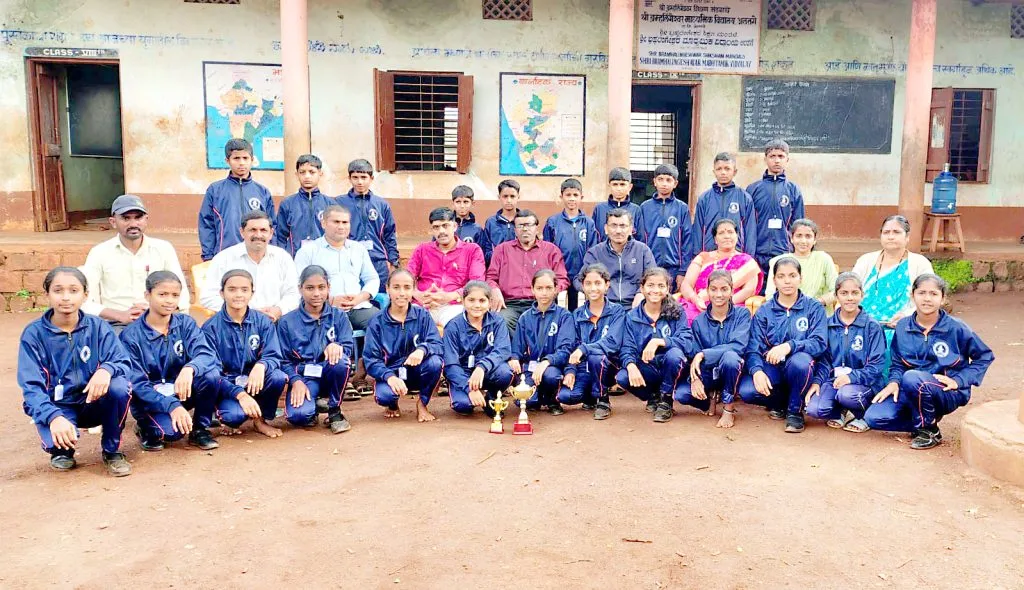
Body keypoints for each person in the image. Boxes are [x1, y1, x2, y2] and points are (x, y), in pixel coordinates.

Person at [17, 267, 133, 476]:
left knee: (119, 386)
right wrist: (53, 416)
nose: (66, 298)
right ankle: (62, 450)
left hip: (93, 402)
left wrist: (106, 370)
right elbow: (31, 386)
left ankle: (112, 450)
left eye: (73, 290)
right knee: (56, 441)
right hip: (58, 405)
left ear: (85, 296)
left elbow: (123, 361)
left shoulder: (98, 327)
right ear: (47, 295)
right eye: (58, 290)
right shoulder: (34, 334)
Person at [863, 274, 994, 450]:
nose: (927, 299)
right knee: (874, 417)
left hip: (946, 391)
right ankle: (923, 419)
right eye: (922, 293)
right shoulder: (903, 327)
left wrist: (959, 381)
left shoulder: (956, 327)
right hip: (911, 388)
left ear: (942, 298)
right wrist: (894, 382)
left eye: (933, 294)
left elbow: (984, 356)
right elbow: (897, 362)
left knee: (912, 377)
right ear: (912, 296)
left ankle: (929, 430)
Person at [121, 271, 221, 452]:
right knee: (172, 434)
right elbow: (137, 384)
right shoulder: (131, 336)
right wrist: (172, 405)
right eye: (162, 294)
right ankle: (145, 427)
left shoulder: (185, 324)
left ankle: (200, 429)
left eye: (175, 295)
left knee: (210, 374)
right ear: (147, 295)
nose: (169, 301)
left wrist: (190, 368)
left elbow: (206, 354)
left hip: (181, 391)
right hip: (151, 400)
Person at [739, 257, 827, 434]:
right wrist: (756, 371)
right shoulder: (764, 311)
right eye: (781, 276)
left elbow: (819, 343)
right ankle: (780, 402)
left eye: (792, 275)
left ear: (800, 278)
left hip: (801, 368)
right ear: (774, 281)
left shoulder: (814, 308)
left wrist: (789, 346)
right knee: (748, 391)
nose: (787, 281)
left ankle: (795, 411)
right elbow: (753, 347)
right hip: (773, 367)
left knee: (800, 362)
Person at [80, 195, 190, 331]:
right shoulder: (100, 252)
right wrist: (121, 315)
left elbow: (181, 292)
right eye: (126, 218)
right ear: (113, 222)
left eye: (138, 218)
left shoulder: (163, 249)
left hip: (160, 321)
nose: (133, 224)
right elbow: (84, 300)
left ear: (146, 220)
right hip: (116, 325)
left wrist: (156, 312)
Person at [201, 269, 289, 438]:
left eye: (244, 289)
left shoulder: (262, 321)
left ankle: (260, 420)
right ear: (222, 293)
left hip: (255, 381)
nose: (238, 295)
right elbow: (211, 371)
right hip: (227, 384)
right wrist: (239, 394)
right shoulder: (210, 327)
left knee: (277, 376)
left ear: (252, 293)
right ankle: (227, 418)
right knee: (234, 417)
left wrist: (261, 365)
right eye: (232, 289)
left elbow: (273, 355)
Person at [276, 265, 355, 434]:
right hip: (304, 378)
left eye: (321, 287)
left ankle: (334, 411)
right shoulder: (286, 322)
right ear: (300, 289)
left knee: (341, 361)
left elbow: (348, 348)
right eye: (310, 288)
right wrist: (295, 380)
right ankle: (313, 406)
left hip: (329, 373)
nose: (316, 294)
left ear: (328, 288)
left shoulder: (339, 316)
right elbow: (283, 360)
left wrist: (338, 346)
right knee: (298, 417)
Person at [804, 273, 886, 433]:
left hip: (864, 383)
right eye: (844, 293)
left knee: (848, 395)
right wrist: (817, 382)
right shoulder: (827, 325)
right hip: (835, 381)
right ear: (836, 296)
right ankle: (840, 411)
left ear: (862, 295)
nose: (849, 298)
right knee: (814, 409)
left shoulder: (872, 326)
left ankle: (864, 416)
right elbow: (824, 361)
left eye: (854, 293)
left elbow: (876, 365)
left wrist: (851, 377)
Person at [364, 269, 445, 422]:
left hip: (416, 371)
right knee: (384, 396)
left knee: (435, 363)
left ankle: (422, 404)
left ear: (413, 290)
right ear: (387, 289)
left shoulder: (422, 315)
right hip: (391, 373)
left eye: (407, 287)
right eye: (396, 287)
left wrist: (422, 349)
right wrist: (389, 377)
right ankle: (392, 404)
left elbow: (438, 345)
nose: (402, 293)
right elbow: (371, 360)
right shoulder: (377, 322)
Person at [673, 270, 750, 428]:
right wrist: (695, 379)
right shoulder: (698, 321)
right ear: (707, 291)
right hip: (709, 372)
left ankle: (728, 409)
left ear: (732, 290)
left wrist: (704, 354)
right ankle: (711, 396)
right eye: (713, 289)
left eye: (724, 289)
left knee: (730, 357)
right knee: (682, 394)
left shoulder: (742, 314)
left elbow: (738, 346)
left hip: (734, 370)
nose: (719, 294)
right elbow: (693, 356)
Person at [615, 267, 692, 423]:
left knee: (675, 354)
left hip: (672, 367)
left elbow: (687, 341)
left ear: (667, 288)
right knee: (623, 376)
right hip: (647, 367)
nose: (655, 290)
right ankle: (653, 397)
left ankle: (666, 400)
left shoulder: (677, 311)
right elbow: (627, 347)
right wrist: (630, 365)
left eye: (661, 286)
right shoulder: (632, 316)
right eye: (650, 285)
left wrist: (660, 341)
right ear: (642, 288)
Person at [853, 215, 935, 352]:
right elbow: (850, 289)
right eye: (886, 232)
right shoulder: (866, 260)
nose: (890, 236)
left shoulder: (920, 263)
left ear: (907, 237)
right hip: (862, 326)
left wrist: (908, 316)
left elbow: (929, 297)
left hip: (901, 327)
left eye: (896, 232)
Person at [200, 210, 299, 321]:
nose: (258, 235)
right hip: (236, 324)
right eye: (252, 230)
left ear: (271, 233)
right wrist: (245, 312)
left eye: (263, 230)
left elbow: (294, 293)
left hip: (276, 322)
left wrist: (278, 310)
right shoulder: (223, 259)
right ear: (242, 232)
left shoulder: (283, 257)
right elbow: (208, 297)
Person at [294, 205, 381, 331]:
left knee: (381, 324)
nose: (341, 226)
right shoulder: (308, 251)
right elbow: (298, 284)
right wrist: (331, 300)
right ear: (323, 223)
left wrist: (359, 298)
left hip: (357, 307)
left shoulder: (358, 249)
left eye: (345, 222)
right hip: (323, 309)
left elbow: (372, 279)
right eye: (336, 222)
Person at [558, 264, 625, 420]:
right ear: (582, 286)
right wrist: (570, 371)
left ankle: (603, 399)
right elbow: (571, 346)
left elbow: (613, 342)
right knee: (567, 397)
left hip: (609, 366)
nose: (593, 288)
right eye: (588, 284)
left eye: (598, 283)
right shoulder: (577, 314)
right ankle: (589, 394)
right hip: (583, 367)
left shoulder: (617, 311)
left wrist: (584, 349)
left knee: (596, 357)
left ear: (607, 285)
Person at [485, 209, 569, 331]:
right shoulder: (502, 250)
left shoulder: (551, 250)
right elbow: (491, 277)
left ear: (537, 228)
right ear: (515, 229)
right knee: (500, 320)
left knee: (545, 324)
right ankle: (515, 351)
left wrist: (551, 291)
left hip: (540, 303)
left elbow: (562, 279)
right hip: (509, 304)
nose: (525, 229)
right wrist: (494, 289)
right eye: (520, 225)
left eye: (529, 225)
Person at [442, 281, 516, 416]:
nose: (477, 305)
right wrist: (469, 388)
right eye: (471, 300)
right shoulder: (453, 327)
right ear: (463, 301)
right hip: (463, 374)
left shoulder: (497, 321)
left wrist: (482, 367)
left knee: (506, 372)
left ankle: (491, 398)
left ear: (489, 302)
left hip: (487, 371)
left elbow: (503, 350)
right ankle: (467, 393)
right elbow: (451, 365)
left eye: (482, 300)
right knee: (463, 406)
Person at [509, 270, 575, 416]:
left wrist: (546, 362)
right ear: (532, 289)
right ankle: (537, 398)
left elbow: (566, 349)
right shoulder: (525, 318)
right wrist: (514, 358)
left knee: (552, 376)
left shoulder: (565, 316)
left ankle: (552, 400)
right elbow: (517, 347)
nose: (544, 293)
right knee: (526, 401)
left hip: (552, 367)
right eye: (539, 288)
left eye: (548, 288)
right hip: (530, 368)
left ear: (556, 289)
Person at [198, 138, 276, 261]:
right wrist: (208, 256)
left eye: (245, 158)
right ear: (227, 160)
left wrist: (271, 253)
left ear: (252, 160)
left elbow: (272, 225)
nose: (241, 163)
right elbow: (207, 224)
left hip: (256, 256)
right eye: (236, 158)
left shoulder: (262, 192)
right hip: (225, 255)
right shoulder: (215, 190)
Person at [406, 207, 486, 326]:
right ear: (432, 230)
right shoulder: (422, 249)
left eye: (445, 225)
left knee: (458, 325)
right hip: (424, 304)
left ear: (455, 226)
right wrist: (417, 294)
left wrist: (450, 296)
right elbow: (407, 277)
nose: (441, 231)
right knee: (408, 323)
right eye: (436, 227)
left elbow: (476, 283)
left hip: (454, 306)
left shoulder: (472, 250)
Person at [680, 219, 763, 324]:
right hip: (699, 306)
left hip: (732, 307)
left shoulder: (747, 262)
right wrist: (696, 300)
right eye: (721, 233)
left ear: (737, 236)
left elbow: (749, 290)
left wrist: (723, 305)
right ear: (715, 239)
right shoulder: (703, 257)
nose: (727, 236)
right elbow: (686, 285)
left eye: (730, 232)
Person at [335, 159, 399, 291]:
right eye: (355, 177)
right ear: (349, 178)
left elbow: (389, 234)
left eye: (364, 177)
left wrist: (393, 261)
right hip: (349, 260)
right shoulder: (339, 203)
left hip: (378, 260)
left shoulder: (381, 205)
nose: (359, 182)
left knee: (379, 298)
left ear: (371, 178)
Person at [577, 208, 656, 308]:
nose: (618, 231)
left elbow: (654, 278)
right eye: (613, 226)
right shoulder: (595, 253)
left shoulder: (643, 250)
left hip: (636, 307)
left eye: (623, 226)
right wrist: (597, 292)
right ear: (606, 229)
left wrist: (641, 293)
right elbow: (579, 280)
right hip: (605, 307)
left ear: (631, 229)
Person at [748, 139, 805, 275]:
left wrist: (792, 248)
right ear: (765, 159)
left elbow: (798, 224)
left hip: (784, 252)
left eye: (781, 156)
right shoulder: (753, 189)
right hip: (758, 253)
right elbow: (747, 225)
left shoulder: (793, 190)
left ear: (787, 159)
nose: (777, 161)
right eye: (772, 156)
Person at [636, 164, 693, 293]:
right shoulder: (644, 207)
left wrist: (683, 271)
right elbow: (639, 238)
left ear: (675, 183)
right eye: (660, 179)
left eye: (668, 180)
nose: (664, 184)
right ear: (654, 181)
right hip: (650, 266)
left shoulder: (682, 208)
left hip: (673, 267)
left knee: (671, 304)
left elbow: (687, 240)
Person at [543, 179, 598, 311]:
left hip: (581, 274)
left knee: (579, 307)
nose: (572, 199)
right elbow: (546, 249)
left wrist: (587, 272)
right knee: (558, 308)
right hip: (559, 275)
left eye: (575, 195)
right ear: (561, 197)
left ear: (581, 197)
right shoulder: (552, 222)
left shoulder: (588, 223)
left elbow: (593, 249)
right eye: (568, 195)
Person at [692, 152, 757, 258]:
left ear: (734, 172)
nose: (723, 173)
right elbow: (698, 230)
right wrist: (698, 256)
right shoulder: (704, 198)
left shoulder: (744, 197)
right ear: (714, 172)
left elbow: (750, 231)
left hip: (736, 255)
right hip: (710, 255)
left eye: (727, 169)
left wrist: (748, 257)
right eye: (719, 169)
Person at [765, 219, 839, 313]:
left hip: (817, 313)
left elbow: (837, 291)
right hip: (785, 313)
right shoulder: (779, 261)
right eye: (799, 236)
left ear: (814, 240)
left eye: (808, 236)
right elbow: (770, 294)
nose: (803, 241)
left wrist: (817, 302)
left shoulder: (823, 259)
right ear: (791, 238)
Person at [273, 154, 334, 256]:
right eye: (302, 172)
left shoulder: (330, 204)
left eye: (311, 172)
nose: (307, 176)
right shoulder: (287, 203)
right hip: (295, 258)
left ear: (320, 173)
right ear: (297, 174)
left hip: (323, 257)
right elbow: (280, 236)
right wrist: (284, 257)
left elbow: (335, 234)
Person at [592, 167, 640, 241]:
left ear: (630, 187)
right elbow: (594, 236)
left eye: (622, 184)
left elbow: (640, 237)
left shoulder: (636, 210)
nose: (619, 188)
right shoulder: (599, 209)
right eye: (615, 184)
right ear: (609, 186)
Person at [451, 185, 493, 264]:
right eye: (458, 202)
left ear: (472, 203)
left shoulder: (477, 229)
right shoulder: (446, 226)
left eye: (466, 202)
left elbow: (480, 256)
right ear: (453, 203)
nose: (462, 206)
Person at [484, 179, 521, 249]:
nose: (509, 200)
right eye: (505, 196)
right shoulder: (491, 222)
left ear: (518, 197)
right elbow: (486, 249)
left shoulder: (524, 220)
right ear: (499, 197)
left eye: (512, 196)